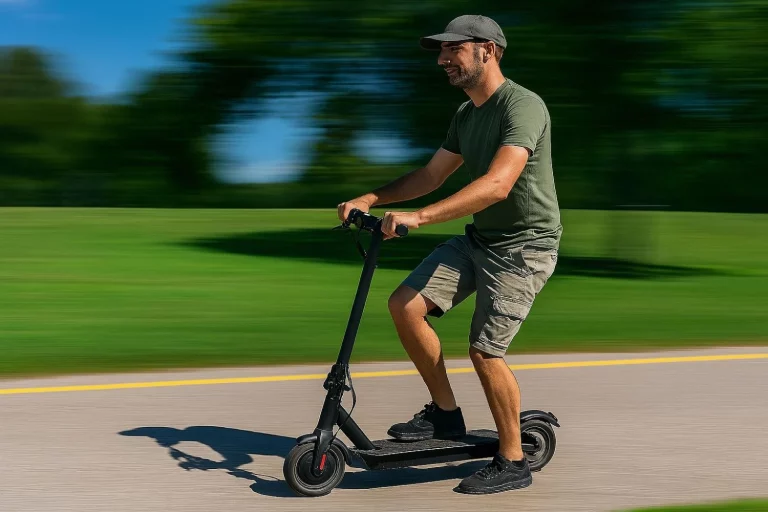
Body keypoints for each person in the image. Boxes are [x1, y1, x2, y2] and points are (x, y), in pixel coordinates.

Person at [337, 14, 562, 495]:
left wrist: (420, 218)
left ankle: (513, 460)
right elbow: (430, 176)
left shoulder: (522, 106)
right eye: (441, 50)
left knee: (485, 351)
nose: (442, 59)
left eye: (453, 49)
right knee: (405, 305)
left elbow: (498, 184)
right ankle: (445, 415)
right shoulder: (466, 114)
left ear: (488, 50)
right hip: (482, 239)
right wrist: (371, 198)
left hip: (524, 248)